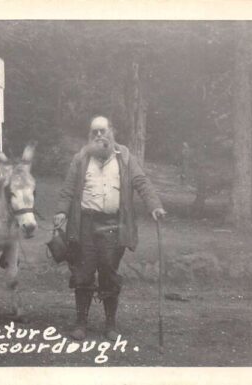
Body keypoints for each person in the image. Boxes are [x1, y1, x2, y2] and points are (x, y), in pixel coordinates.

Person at [53, 115, 166, 341]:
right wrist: (61, 211)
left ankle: (110, 325)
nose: (98, 135)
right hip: (85, 225)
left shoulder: (124, 158)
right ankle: (81, 323)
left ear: (111, 131)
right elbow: (67, 189)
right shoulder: (81, 158)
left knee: (109, 272)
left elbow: (142, 183)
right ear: (90, 135)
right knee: (83, 273)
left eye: (102, 130)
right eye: (94, 132)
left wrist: (154, 206)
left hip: (114, 225)